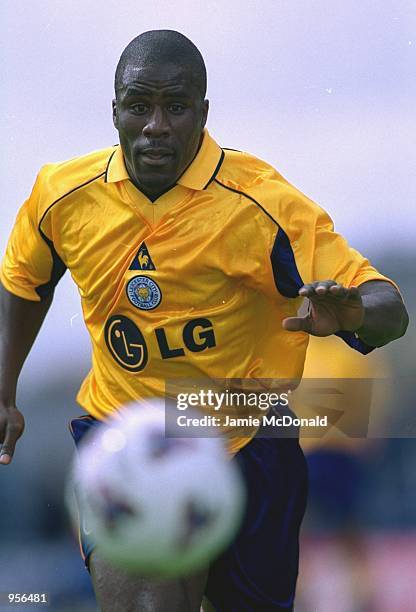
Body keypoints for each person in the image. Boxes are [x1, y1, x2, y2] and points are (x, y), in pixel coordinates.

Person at [0, 29, 408, 612]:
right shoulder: (62, 195)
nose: (156, 125)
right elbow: (24, 279)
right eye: (139, 105)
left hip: (248, 438)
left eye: (177, 106)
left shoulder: (263, 206)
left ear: (204, 111)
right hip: (127, 435)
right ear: (114, 108)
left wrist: (354, 311)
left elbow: (389, 309)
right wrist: (5, 387)